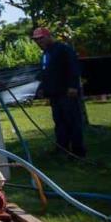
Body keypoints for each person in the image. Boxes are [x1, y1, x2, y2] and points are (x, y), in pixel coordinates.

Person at [32, 27, 86, 158]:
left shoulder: (63, 49)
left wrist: (73, 86)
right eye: (36, 40)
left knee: (72, 122)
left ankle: (78, 152)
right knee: (60, 123)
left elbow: (73, 68)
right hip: (54, 95)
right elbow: (46, 74)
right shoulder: (45, 54)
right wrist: (42, 88)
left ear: (49, 36)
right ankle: (62, 148)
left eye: (41, 38)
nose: (39, 41)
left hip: (67, 93)